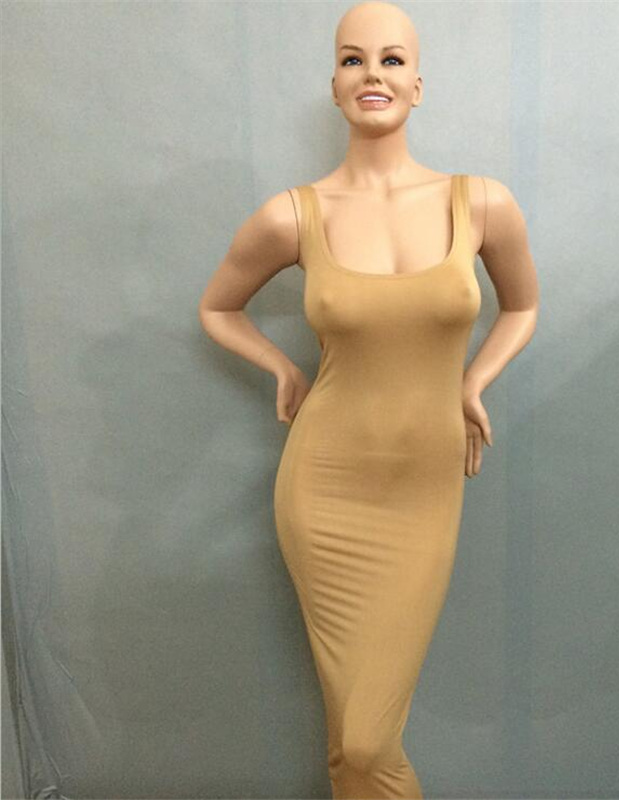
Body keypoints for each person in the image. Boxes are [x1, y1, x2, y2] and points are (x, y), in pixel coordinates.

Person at [198, 2, 539, 796]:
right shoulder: (294, 215)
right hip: (323, 486)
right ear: (334, 85)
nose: (372, 74)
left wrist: (472, 381)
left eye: (392, 59)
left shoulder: (480, 203)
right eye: (353, 60)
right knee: (352, 736)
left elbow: (522, 305)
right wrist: (282, 370)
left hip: (424, 487)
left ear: (418, 84)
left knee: (364, 736)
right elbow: (218, 307)